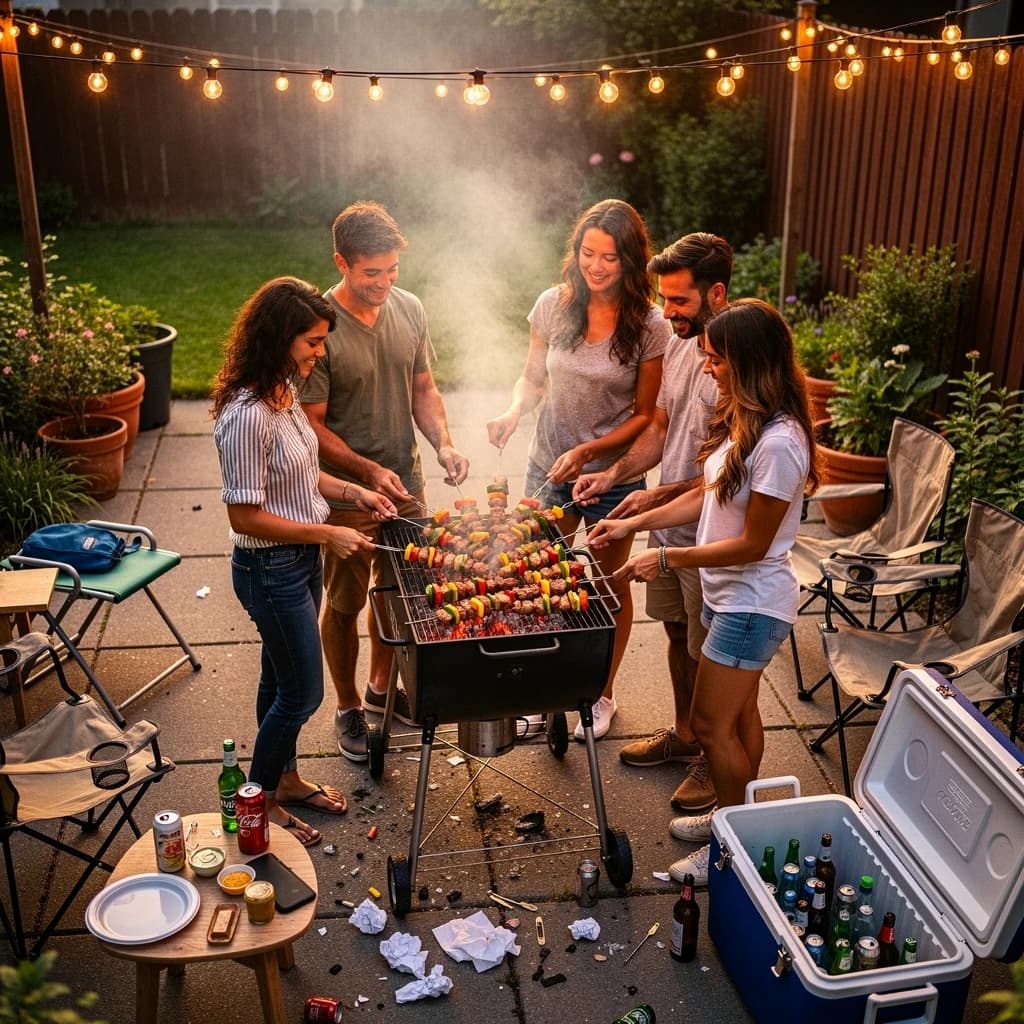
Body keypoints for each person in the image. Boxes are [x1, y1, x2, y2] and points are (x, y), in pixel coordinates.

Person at [588, 298, 820, 884]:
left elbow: (752, 544)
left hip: (752, 604)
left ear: (748, 362)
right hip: (728, 598)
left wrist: (665, 557)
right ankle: (733, 819)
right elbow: (711, 494)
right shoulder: (750, 421)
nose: (707, 367)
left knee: (711, 724)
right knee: (739, 716)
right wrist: (633, 523)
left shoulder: (781, 444)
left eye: (716, 360)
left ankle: (734, 847)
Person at [212, 277, 395, 847]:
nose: (320, 352)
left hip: (296, 563)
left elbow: (300, 476)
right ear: (279, 337)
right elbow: (244, 517)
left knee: (279, 678)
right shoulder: (247, 416)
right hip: (268, 571)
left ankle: (284, 780)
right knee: (304, 693)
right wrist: (328, 533)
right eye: (312, 342)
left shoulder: (283, 394)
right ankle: (260, 801)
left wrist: (355, 493)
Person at [486, 199, 670, 741]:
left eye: (609, 257)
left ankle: (599, 693)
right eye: (588, 253)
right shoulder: (552, 305)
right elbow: (532, 379)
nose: (596, 266)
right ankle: (540, 692)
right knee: (538, 579)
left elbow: (644, 415)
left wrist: (592, 455)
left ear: (630, 261)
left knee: (606, 586)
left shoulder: (649, 327)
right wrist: (515, 408)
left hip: (613, 477)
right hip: (549, 465)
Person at [301, 201, 470, 762]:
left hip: (405, 484)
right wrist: (366, 471)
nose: (383, 283)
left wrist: (442, 441)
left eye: (392, 270)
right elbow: (313, 428)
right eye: (371, 272)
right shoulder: (321, 326)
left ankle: (381, 690)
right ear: (342, 263)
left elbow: (424, 387)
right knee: (345, 602)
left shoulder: (410, 308)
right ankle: (349, 706)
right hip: (347, 493)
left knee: (399, 593)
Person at [573, 233, 731, 804]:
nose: (668, 313)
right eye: (665, 299)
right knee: (675, 633)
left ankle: (718, 760)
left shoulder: (734, 357)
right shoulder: (685, 344)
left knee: (716, 653)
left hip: (712, 539)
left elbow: (728, 472)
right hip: (673, 525)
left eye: (680, 301)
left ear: (715, 292)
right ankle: (687, 735)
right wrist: (617, 477)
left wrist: (653, 503)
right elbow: (661, 428)